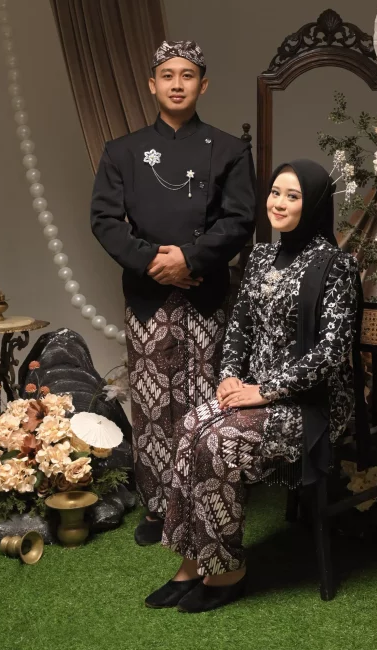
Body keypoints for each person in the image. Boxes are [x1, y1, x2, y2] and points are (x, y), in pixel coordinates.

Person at [146, 158, 360, 612]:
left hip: (310, 405)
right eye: (275, 192)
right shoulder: (261, 256)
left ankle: (227, 570)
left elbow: (332, 351)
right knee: (189, 427)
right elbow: (239, 327)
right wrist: (229, 375)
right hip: (254, 393)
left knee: (217, 442)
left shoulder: (336, 266)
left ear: (314, 204)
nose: (278, 203)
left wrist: (265, 391)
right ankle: (191, 563)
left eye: (293, 196)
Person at [90, 40, 256, 545]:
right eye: (167, 75)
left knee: (207, 399)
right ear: (152, 84)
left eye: (187, 75)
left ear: (203, 85)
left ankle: (206, 502)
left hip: (207, 293)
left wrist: (189, 258)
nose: (177, 84)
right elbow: (104, 220)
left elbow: (240, 220)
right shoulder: (122, 151)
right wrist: (154, 263)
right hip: (148, 296)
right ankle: (159, 508)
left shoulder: (229, 149)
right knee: (152, 402)